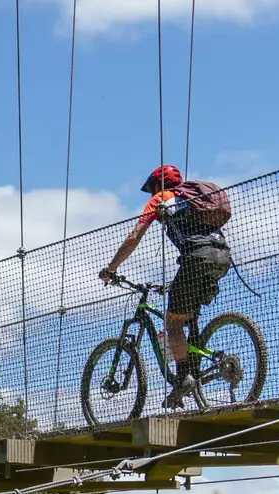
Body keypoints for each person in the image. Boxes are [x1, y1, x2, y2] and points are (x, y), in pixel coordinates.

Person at [99, 164, 233, 408]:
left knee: (172, 322)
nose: (151, 195)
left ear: (155, 186)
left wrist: (112, 268)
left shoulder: (162, 199)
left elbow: (134, 237)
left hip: (196, 258)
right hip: (222, 257)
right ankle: (195, 376)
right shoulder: (194, 199)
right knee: (186, 315)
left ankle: (184, 379)